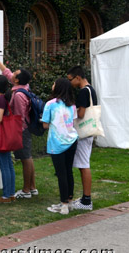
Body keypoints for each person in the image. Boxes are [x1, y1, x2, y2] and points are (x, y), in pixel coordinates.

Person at [0, 50, 38, 199]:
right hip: (22, 128)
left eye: (15, 75)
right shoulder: (24, 86)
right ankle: (31, 188)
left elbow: (17, 117)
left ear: (17, 81)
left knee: (25, 158)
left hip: (20, 129)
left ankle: (27, 190)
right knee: (20, 159)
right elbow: (7, 72)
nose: (12, 75)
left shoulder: (18, 96)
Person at [41, 78, 78, 215]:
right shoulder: (72, 105)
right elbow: (72, 123)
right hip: (72, 140)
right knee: (68, 171)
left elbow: (45, 124)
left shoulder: (50, 104)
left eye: (54, 83)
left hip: (57, 142)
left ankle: (63, 205)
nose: (52, 85)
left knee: (61, 173)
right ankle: (69, 201)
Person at [67, 66, 97, 211]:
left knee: (84, 164)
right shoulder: (91, 89)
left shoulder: (84, 92)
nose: (70, 83)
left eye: (70, 79)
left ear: (78, 77)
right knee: (83, 163)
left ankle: (86, 200)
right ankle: (86, 198)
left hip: (84, 133)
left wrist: (72, 110)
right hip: (89, 131)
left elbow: (81, 114)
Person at [0, 75, 16, 203]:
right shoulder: (3, 98)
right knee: (8, 164)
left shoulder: (0, 99)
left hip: (0, 135)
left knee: (4, 165)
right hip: (6, 135)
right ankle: (11, 193)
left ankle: (6, 195)